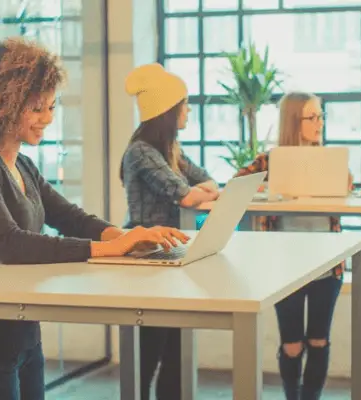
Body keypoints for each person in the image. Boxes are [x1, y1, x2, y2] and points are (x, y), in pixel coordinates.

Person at [0, 38, 187, 400]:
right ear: (4, 104)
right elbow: (10, 244)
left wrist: (129, 235)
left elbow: (68, 216)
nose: (48, 118)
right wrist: (111, 249)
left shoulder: (23, 164)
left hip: (23, 331)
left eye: (51, 106)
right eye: (37, 108)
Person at [233, 92, 352, 400]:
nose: (319, 123)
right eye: (312, 117)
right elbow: (236, 184)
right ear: (293, 121)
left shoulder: (329, 159)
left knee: (318, 340)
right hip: (284, 266)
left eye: (321, 116)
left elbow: (348, 186)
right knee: (292, 344)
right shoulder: (270, 160)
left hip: (328, 263)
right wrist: (266, 188)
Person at [120, 63, 220, 399]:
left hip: (170, 256)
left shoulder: (170, 151)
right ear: (167, 111)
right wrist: (197, 192)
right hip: (147, 261)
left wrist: (199, 190)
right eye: (184, 104)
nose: (188, 110)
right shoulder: (141, 153)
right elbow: (188, 193)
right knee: (149, 352)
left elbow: (207, 181)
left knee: (176, 350)